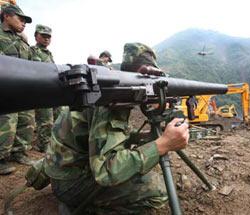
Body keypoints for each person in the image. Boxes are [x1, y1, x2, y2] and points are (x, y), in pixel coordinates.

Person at [43, 43, 189, 214]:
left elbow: (111, 137)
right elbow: (105, 171)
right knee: (157, 192)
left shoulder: (114, 88)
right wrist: (163, 144)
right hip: (70, 183)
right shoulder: (112, 99)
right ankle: (82, 207)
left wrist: (149, 138)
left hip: (65, 169)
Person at [0, 3, 35, 175]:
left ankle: (19, 152)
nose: (24, 23)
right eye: (20, 19)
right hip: (4, 89)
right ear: (6, 16)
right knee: (6, 121)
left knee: (26, 119)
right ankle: (1, 158)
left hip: (22, 88)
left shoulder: (22, 41)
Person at [31, 24, 54, 153]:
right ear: (36, 36)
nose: (46, 39)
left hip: (49, 89)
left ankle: (49, 142)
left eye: (49, 37)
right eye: (43, 36)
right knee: (45, 120)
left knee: (53, 119)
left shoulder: (49, 53)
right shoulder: (33, 50)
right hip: (40, 90)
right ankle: (43, 145)